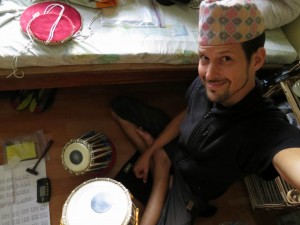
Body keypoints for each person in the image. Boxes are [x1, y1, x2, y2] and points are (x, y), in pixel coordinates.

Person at [111, 0, 300, 224]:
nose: (210, 75)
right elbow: (186, 115)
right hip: (178, 148)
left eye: (226, 58)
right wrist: (152, 150)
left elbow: (288, 152)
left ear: (257, 60)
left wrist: (160, 177)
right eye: (205, 58)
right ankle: (161, 161)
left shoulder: (262, 128)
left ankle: (162, 178)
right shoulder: (206, 85)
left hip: (191, 188)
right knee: (119, 108)